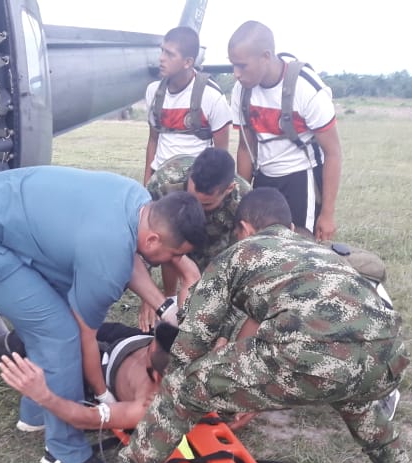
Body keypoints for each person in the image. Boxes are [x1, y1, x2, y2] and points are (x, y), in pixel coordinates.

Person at [69, 188, 412, 463]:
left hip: (308, 353)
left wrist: (177, 395)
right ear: (289, 225)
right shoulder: (318, 250)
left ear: (244, 229)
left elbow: (192, 340)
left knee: (181, 388)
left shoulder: (236, 256)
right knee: (354, 393)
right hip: (388, 357)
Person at [0, 166, 206, 463]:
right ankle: (64, 452)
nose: (170, 261)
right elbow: (84, 335)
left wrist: (164, 308)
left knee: (48, 321)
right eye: (173, 254)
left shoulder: (138, 200)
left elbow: (129, 254)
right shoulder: (106, 259)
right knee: (60, 333)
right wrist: (103, 396)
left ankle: (35, 416)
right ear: (154, 238)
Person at [0, 311, 179, 432]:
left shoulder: (146, 407)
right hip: (127, 339)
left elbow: (84, 418)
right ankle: (8, 342)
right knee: (68, 323)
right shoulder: (187, 355)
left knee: (54, 334)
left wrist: (44, 396)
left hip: (104, 362)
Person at [228, 20, 342, 241]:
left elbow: (333, 153)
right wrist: (241, 197)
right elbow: (246, 147)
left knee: (301, 245)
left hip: (302, 178)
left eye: (242, 65)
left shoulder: (307, 89)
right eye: (233, 65)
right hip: (265, 176)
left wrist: (327, 214)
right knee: (259, 244)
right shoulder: (241, 91)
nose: (236, 74)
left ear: (266, 56)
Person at [142, 147, 250, 330]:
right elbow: (144, 236)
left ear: (229, 189)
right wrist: (148, 294)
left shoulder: (243, 199)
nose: (197, 208)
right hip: (176, 235)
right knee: (168, 246)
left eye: (206, 204)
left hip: (215, 243)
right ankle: (170, 300)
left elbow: (241, 254)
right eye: (192, 198)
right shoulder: (164, 182)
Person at [144, 26, 232, 185]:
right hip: (160, 181)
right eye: (162, 51)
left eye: (169, 54)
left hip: (195, 183)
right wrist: (147, 184)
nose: (161, 58)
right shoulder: (154, 92)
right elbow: (153, 140)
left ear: (188, 62)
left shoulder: (211, 96)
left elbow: (221, 155)